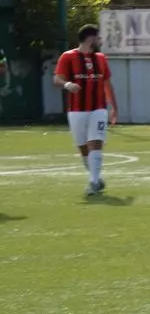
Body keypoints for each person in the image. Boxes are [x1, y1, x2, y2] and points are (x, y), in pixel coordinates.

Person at [52, 24, 118, 197]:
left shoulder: (101, 58)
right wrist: (67, 84)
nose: (100, 41)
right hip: (76, 110)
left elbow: (107, 84)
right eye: (98, 37)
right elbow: (57, 79)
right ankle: (96, 177)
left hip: (98, 108)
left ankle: (93, 183)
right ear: (90, 38)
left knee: (95, 142)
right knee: (83, 147)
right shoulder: (68, 56)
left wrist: (114, 108)